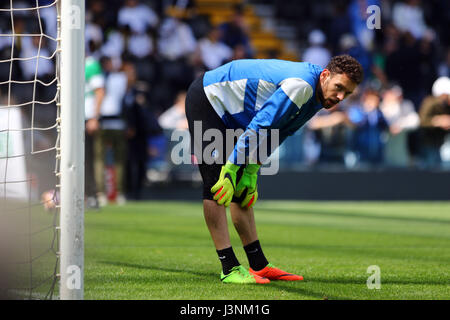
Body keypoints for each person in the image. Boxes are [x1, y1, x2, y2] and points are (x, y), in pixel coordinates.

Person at [185, 55, 363, 284]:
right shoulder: (301, 86)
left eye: (347, 94)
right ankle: (229, 267)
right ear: (325, 76)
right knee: (217, 184)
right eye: (339, 88)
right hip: (209, 99)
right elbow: (262, 125)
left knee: (240, 189)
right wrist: (231, 168)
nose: (340, 97)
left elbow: (280, 131)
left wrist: (251, 169)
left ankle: (258, 265)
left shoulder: (319, 96)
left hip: (236, 113)